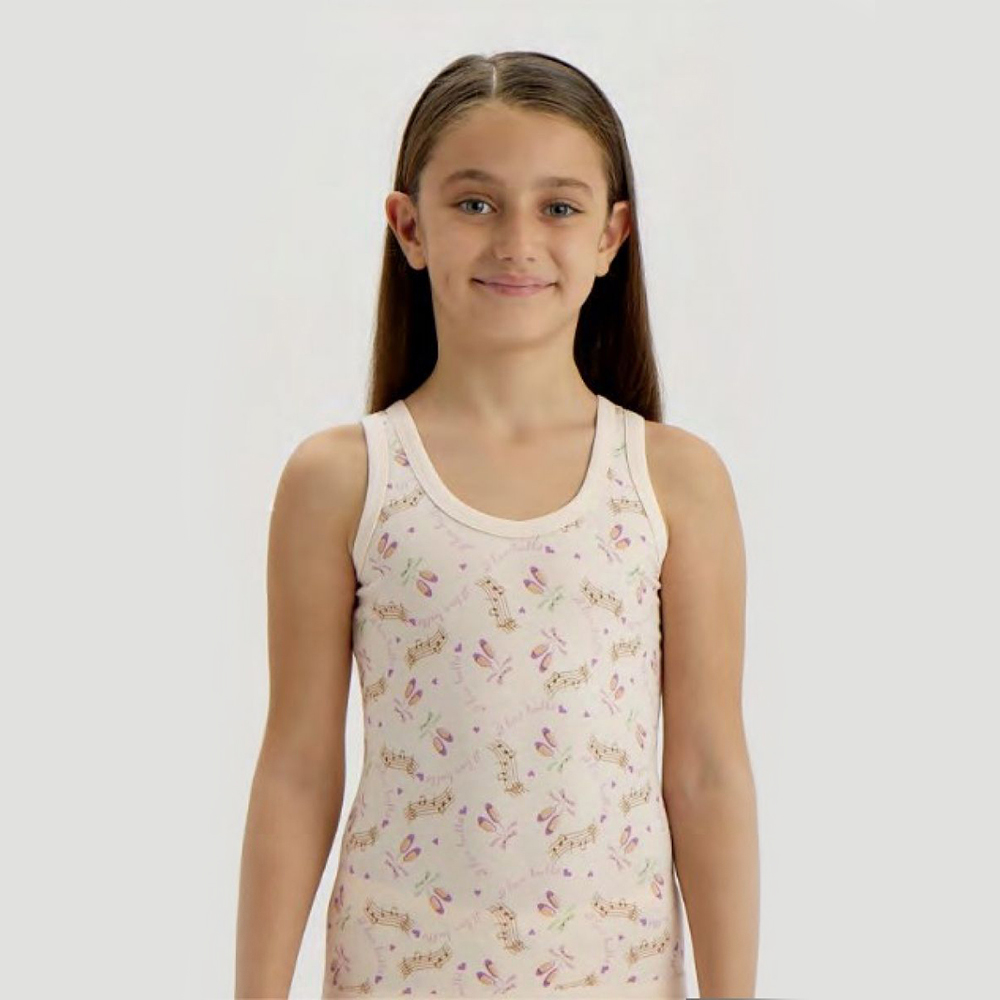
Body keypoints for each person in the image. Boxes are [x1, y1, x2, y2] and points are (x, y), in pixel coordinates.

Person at [235, 50, 758, 1000]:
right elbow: (298, 768)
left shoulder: (675, 482)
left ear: (611, 236)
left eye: (558, 207)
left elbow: (708, 772)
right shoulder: (343, 480)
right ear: (410, 226)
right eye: (476, 203)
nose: (518, 240)